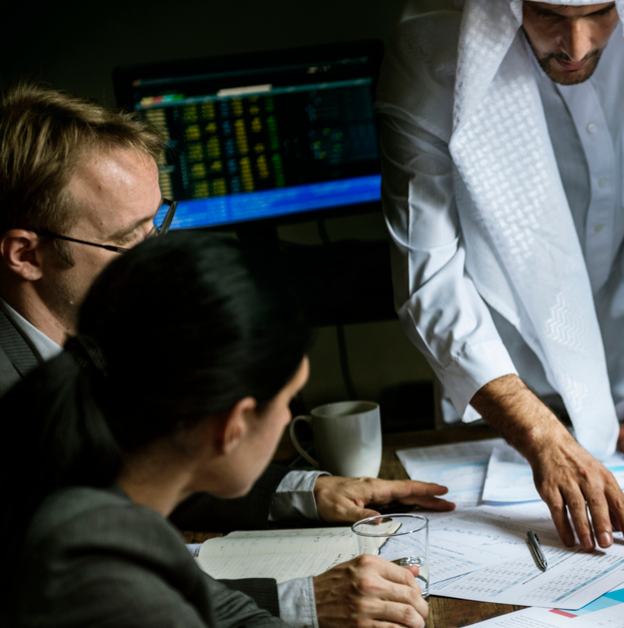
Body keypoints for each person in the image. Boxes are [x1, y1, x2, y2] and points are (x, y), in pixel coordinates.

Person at [0, 83, 454, 626]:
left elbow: (155, 475)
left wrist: (309, 491)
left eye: (157, 223)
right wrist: (297, 600)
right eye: (127, 238)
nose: (158, 256)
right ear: (26, 254)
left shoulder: (97, 329)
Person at [377, 0, 624, 550]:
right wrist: (541, 436)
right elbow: (429, 274)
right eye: (547, 14)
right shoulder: (430, 48)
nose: (577, 45)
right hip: (506, 394)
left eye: (601, 11)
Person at [0, 233, 428, 627]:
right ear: (233, 425)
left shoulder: (119, 514)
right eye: (285, 403)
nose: (285, 421)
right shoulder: (104, 576)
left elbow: (223, 610)